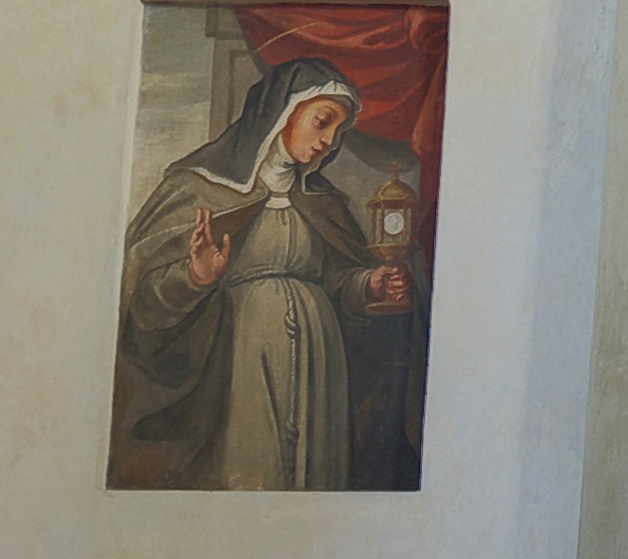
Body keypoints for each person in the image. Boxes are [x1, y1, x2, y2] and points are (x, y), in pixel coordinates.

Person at [114, 57, 417, 489]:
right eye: (322, 122)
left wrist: (366, 284)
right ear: (283, 110)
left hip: (320, 354)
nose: (329, 141)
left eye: (338, 132)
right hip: (238, 359)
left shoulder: (320, 200)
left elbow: (334, 279)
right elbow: (139, 300)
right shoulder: (197, 189)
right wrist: (194, 277)